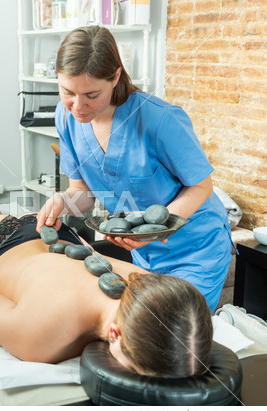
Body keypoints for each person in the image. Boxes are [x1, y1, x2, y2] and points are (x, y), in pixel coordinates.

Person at [35, 26, 232, 312]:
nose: (77, 106)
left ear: (115, 77)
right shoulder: (65, 118)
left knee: (176, 327)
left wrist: (159, 228)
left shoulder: (159, 119)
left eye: (91, 94)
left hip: (196, 249)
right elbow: (82, 193)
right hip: (143, 252)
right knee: (141, 326)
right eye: (67, 92)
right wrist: (62, 202)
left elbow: (202, 186)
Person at [0, 195, 213, 378]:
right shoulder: (40, 339)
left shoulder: (144, 280)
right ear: (114, 334)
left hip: (53, 232)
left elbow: (91, 254)